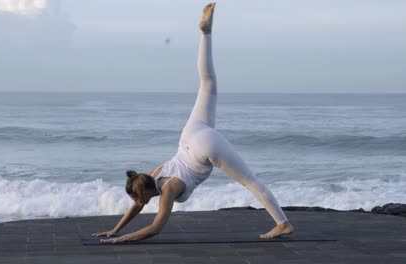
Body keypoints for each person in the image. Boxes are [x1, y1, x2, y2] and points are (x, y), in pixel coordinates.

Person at [94, 2, 294, 243]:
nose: (137, 204)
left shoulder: (168, 189)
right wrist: (116, 229)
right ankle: (205, 33)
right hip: (190, 134)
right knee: (207, 82)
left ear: (145, 192)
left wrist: (121, 239)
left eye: (138, 198)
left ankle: (283, 224)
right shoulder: (147, 177)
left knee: (250, 181)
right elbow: (137, 205)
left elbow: (157, 227)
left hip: (202, 148)